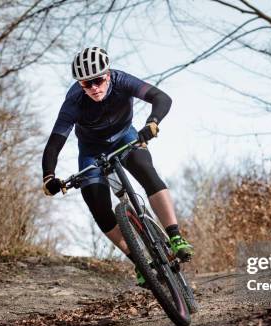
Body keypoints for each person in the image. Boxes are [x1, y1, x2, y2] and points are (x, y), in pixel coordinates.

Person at [41, 46, 194, 286]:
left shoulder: (122, 81)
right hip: (92, 151)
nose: (93, 88)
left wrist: (152, 122)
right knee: (95, 202)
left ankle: (175, 236)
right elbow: (54, 143)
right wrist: (48, 176)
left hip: (126, 137)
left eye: (98, 80)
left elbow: (162, 98)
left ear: (108, 74)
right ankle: (140, 262)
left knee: (145, 169)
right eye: (85, 84)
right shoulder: (74, 100)